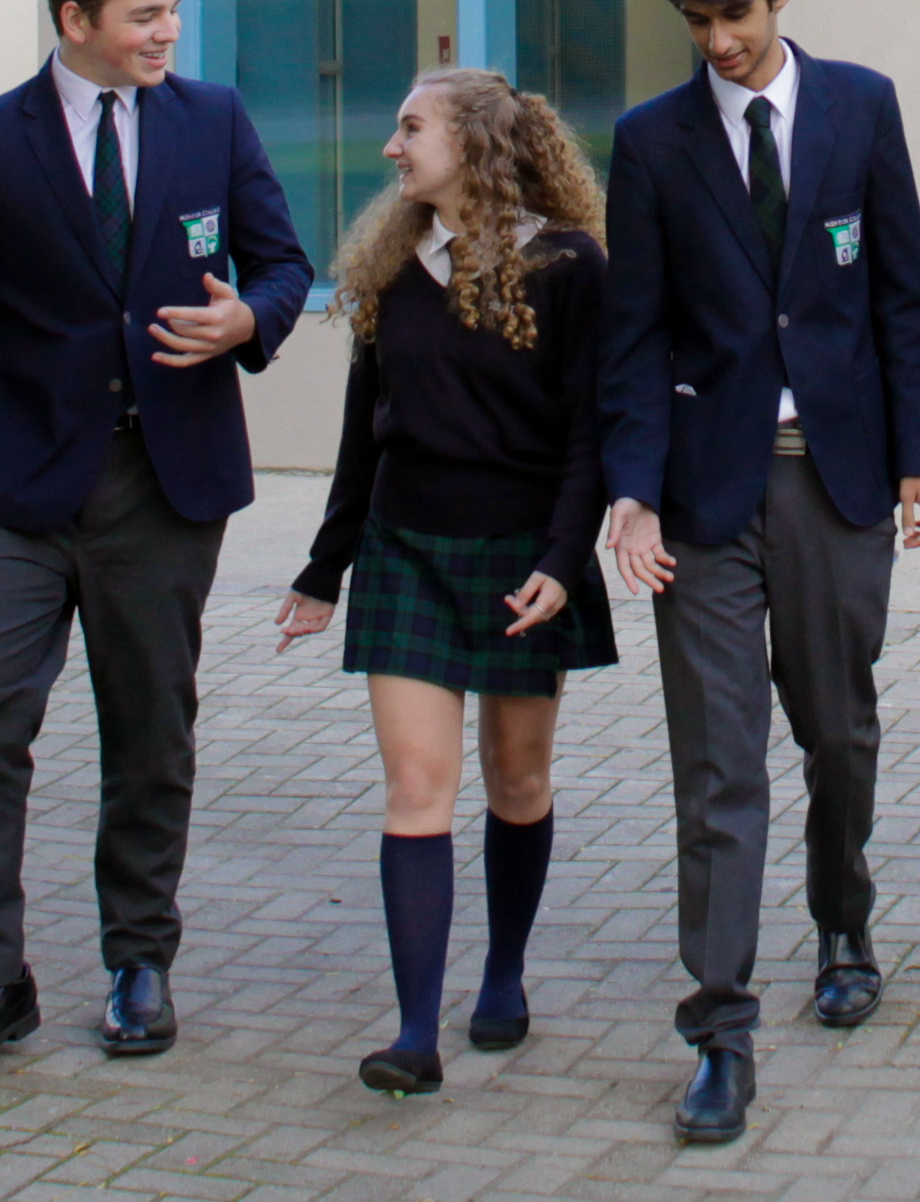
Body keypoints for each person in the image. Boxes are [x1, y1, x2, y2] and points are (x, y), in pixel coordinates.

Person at [0, 0, 319, 1081]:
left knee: (149, 727)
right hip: (10, 482)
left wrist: (248, 321)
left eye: (173, 8)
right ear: (76, 19)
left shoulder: (211, 121)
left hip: (163, 485)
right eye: (145, 14)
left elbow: (285, 264)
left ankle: (139, 960)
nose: (169, 29)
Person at [590, 0, 920, 1145]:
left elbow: (906, 294)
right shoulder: (650, 143)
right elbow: (630, 338)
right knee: (717, 762)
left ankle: (843, 919)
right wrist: (631, 490)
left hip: (839, 480)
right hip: (703, 497)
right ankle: (719, 1026)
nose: (717, 44)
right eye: (695, 23)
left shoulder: (861, 106)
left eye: (733, 16)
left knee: (838, 733)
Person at [276, 68, 617, 1100]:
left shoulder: (570, 268)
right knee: (418, 787)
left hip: (523, 559)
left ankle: (504, 972)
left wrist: (564, 560)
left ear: (471, 144)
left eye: (410, 127)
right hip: (407, 554)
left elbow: (589, 437)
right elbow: (360, 439)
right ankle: (415, 1033)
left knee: (517, 780)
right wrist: (324, 568)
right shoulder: (390, 267)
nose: (392, 146)